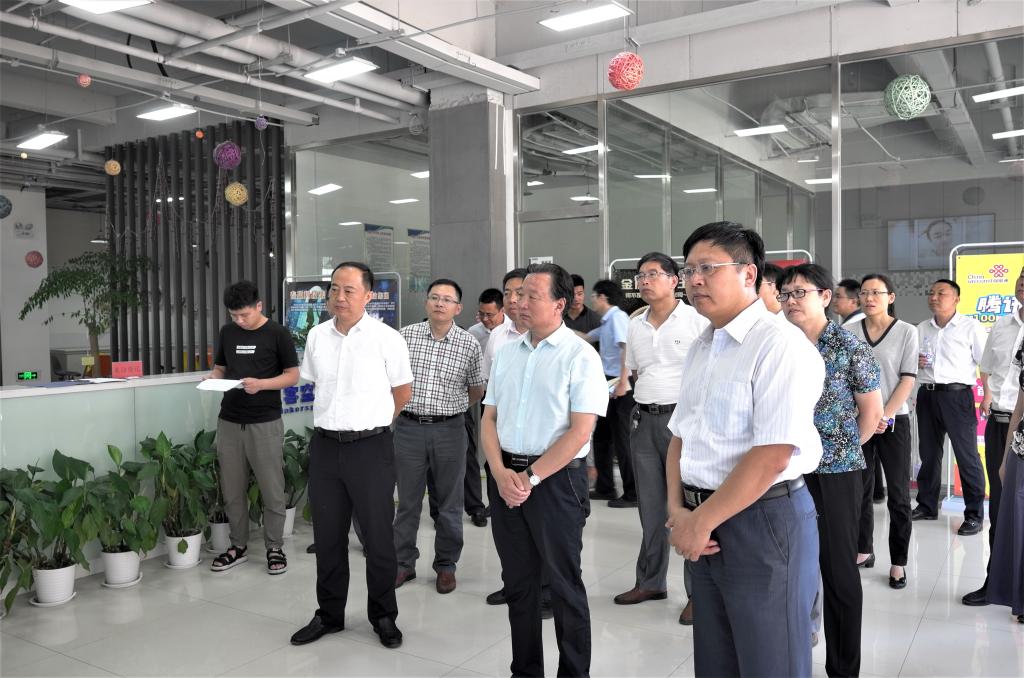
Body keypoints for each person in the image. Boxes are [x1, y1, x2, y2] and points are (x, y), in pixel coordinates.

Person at [666, 221, 824, 678]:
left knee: (770, 662)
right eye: (689, 270)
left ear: (748, 273)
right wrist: (678, 510)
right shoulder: (703, 345)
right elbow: (680, 436)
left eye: (708, 268)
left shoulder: (779, 345)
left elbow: (773, 454)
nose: (694, 280)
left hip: (763, 521)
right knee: (717, 660)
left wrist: (700, 522)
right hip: (704, 520)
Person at [482, 263, 608, 678]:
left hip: (556, 481)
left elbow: (581, 430)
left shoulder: (579, 355)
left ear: (559, 304)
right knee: (519, 585)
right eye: (517, 294)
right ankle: (525, 670)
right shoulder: (507, 354)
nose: (519, 302)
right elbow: (488, 418)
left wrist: (530, 478)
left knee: (564, 584)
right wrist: (498, 472)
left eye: (531, 295)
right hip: (506, 479)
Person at [291, 262, 412, 650]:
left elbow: (402, 392)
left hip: (371, 448)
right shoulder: (316, 336)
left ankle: (383, 615)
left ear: (368, 295)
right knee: (328, 537)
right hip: (326, 447)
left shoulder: (387, 338)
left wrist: (373, 425)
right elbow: (317, 385)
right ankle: (329, 614)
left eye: (348, 290)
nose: (339, 297)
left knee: (378, 539)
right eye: (334, 289)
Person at [779, 263, 882, 678]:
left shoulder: (848, 346)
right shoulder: (779, 343)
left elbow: (871, 413)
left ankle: (842, 668)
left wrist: (841, 449)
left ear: (825, 296)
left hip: (836, 472)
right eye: (785, 293)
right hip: (782, 468)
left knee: (838, 571)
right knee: (789, 567)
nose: (791, 301)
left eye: (800, 292)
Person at [614, 252, 709, 627]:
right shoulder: (635, 324)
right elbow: (637, 371)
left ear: (674, 280)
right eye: (641, 276)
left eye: (653, 274)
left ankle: (698, 594)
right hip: (644, 419)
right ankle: (650, 582)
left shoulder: (697, 319)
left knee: (687, 507)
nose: (645, 281)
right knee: (651, 508)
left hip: (684, 422)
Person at [394, 279, 485, 594]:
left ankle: (446, 565)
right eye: (434, 297)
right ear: (426, 302)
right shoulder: (405, 336)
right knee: (407, 502)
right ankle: (403, 563)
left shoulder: (469, 343)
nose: (439, 303)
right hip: (408, 428)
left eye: (447, 299)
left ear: (458, 308)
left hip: (450, 429)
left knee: (449, 503)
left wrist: (450, 410)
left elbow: (476, 389)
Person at [208, 281, 299, 575]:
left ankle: (274, 547)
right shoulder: (228, 332)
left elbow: (292, 376)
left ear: (259, 306)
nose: (239, 321)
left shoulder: (278, 334)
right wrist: (213, 378)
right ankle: (238, 546)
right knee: (232, 490)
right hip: (229, 421)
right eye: (234, 315)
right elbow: (221, 368)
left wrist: (262, 385)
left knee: (272, 489)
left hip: (265, 422)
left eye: (244, 315)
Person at [847, 274, 918, 590]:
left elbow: (908, 379)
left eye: (876, 292)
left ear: (890, 297)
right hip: (859, 420)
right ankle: (864, 550)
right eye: (864, 293)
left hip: (893, 421)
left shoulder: (906, 332)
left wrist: (884, 415)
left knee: (899, 495)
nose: (869, 298)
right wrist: (867, 415)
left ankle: (898, 562)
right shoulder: (849, 332)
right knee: (860, 491)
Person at [964, 265, 1024, 605]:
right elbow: (985, 367)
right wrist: (986, 393)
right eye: (1021, 277)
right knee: (1000, 509)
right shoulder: (1001, 325)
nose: (1023, 283)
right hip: (1002, 425)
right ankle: (996, 583)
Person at [913, 279, 987, 535]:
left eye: (941, 293)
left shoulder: (970, 327)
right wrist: (916, 361)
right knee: (928, 454)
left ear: (956, 299)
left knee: (967, 457)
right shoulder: (922, 328)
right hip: (927, 395)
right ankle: (927, 505)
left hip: (958, 397)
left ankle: (974, 514)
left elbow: (985, 364)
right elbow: (911, 361)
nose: (934, 297)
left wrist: (987, 396)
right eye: (931, 293)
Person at [458, 287, 508, 528]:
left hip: (509, 398)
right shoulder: (473, 332)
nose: (486, 319)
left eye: (490, 314)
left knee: (505, 453)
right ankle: (481, 505)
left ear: (502, 311)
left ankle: (505, 501)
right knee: (483, 452)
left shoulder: (512, 331)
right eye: (482, 314)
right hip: (483, 396)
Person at [587, 279, 636, 507]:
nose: (591, 301)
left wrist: (624, 381)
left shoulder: (617, 318)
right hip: (608, 382)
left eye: (593, 296)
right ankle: (605, 487)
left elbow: (626, 348)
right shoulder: (607, 321)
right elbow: (587, 337)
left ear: (602, 297)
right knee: (602, 436)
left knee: (622, 438)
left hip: (620, 383)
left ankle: (632, 493)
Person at [467, 287, 508, 355]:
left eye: (489, 315)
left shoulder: (514, 329)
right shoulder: (473, 333)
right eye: (481, 313)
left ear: (502, 310)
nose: (484, 319)